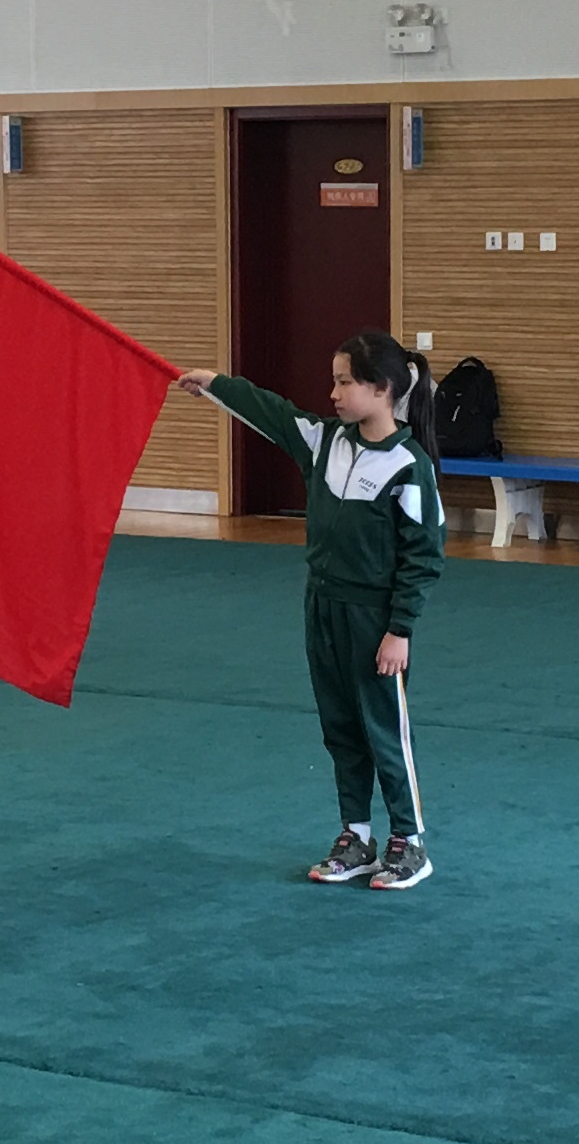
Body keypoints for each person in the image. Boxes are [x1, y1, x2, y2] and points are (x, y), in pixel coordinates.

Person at [176, 333, 445, 889]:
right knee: (339, 725)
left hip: (374, 619)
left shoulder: (409, 466)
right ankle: (357, 836)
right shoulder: (324, 441)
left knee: (384, 729)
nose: (334, 393)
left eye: (345, 382)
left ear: (382, 389)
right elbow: (270, 412)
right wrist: (216, 385)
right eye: (335, 381)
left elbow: (423, 556)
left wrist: (400, 629)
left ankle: (409, 840)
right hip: (322, 608)